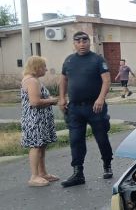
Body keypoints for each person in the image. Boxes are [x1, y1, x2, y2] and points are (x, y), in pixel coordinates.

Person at [58, 31, 114, 187]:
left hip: (95, 107)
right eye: (78, 41)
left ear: (89, 42)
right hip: (75, 108)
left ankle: (107, 165)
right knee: (75, 140)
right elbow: (63, 80)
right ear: (74, 43)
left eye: (84, 40)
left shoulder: (97, 60)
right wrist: (62, 98)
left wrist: (101, 98)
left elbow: (106, 80)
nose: (81, 43)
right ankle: (78, 173)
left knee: (102, 138)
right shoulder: (69, 60)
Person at [20, 56, 59, 187]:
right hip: (35, 119)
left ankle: (42, 173)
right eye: (44, 67)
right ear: (36, 67)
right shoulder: (32, 81)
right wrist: (53, 100)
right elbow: (35, 102)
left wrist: (49, 99)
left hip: (39, 118)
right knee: (36, 146)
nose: (46, 69)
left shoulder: (33, 80)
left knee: (41, 145)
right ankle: (34, 176)